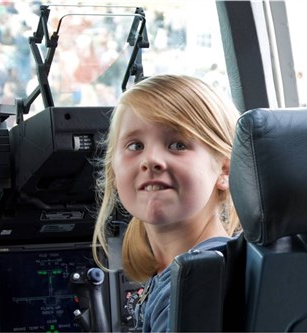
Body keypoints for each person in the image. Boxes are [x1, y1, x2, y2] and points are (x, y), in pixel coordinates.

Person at [92, 74, 241, 332]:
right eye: (135, 145)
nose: (151, 160)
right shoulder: (187, 274)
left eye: (177, 144)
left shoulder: (192, 285)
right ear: (114, 173)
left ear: (224, 170)